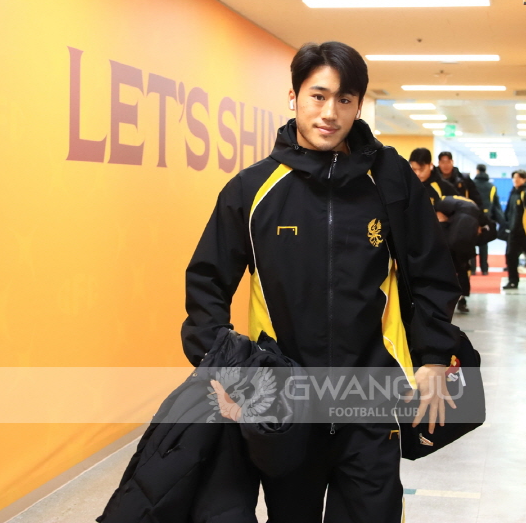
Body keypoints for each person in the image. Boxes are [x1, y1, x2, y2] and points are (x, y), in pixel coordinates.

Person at [181, 41, 461, 523]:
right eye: (318, 96)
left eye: (345, 99)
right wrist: (223, 369)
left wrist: (434, 356)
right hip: (286, 403)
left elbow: (433, 271)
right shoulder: (252, 190)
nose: (330, 113)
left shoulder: (389, 182)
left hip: (371, 399)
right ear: (293, 97)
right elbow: (207, 283)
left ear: (358, 105)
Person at [407, 148, 472, 313]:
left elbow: (461, 210)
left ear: (430, 165)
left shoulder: (443, 187)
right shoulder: (407, 184)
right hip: (414, 239)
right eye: (414, 169)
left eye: (421, 169)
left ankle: (459, 299)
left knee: (450, 271)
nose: (417, 173)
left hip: (441, 240)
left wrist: (445, 217)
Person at [503, 169, 526, 290]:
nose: (515, 180)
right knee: (510, 256)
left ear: (524, 179)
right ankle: (513, 281)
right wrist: (507, 225)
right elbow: (508, 211)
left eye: (518, 178)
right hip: (513, 233)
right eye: (514, 178)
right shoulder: (513, 193)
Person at [471, 164, 506, 275]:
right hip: (486, 217)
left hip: (471, 216)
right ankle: (484, 269)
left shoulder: (471, 184)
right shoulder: (492, 187)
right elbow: (496, 205)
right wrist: (501, 220)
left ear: (477, 171)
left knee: (471, 243)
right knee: (483, 243)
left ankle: (472, 269)